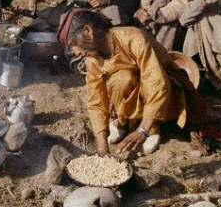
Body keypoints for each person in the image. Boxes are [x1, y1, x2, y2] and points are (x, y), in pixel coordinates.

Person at [58, 9, 207, 156]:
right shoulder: (93, 60)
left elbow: (157, 82)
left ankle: (153, 126)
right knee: (122, 78)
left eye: (73, 44)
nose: (76, 52)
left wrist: (143, 129)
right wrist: (102, 148)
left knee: (144, 80)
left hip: (167, 91)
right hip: (138, 90)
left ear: (87, 31)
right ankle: (124, 122)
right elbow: (96, 101)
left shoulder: (133, 38)